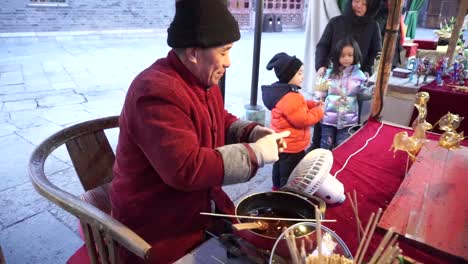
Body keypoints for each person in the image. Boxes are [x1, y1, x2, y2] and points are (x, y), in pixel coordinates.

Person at [110, 0, 290, 263]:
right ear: (194, 52)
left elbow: (220, 119)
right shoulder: (155, 91)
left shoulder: (201, 79)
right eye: (224, 52)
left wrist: (252, 133)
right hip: (158, 224)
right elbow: (186, 169)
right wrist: (256, 155)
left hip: (199, 206)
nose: (229, 62)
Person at [310, 0, 382, 150]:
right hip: (333, 76)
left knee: (349, 121)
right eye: (357, 1)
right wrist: (321, 66)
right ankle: (317, 148)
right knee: (323, 116)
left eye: (365, 3)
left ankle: (342, 151)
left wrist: (367, 71)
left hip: (354, 81)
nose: (360, 6)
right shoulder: (335, 22)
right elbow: (322, 46)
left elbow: (375, 52)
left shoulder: (372, 26)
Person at [262, 53, 324, 190]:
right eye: (300, 73)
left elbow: (298, 106)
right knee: (289, 172)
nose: (303, 77)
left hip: (281, 142)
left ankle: (276, 188)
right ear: (289, 75)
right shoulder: (291, 97)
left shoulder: (282, 92)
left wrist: (312, 104)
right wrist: (319, 111)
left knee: (278, 167)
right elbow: (303, 119)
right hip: (292, 146)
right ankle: (286, 194)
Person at [316, 38, 373, 150]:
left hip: (348, 120)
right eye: (342, 55)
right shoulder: (329, 73)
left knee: (342, 147)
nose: (346, 58)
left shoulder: (359, 75)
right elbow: (319, 92)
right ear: (337, 56)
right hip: (328, 119)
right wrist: (316, 108)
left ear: (355, 55)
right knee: (325, 146)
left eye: (349, 55)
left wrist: (371, 91)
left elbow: (363, 94)